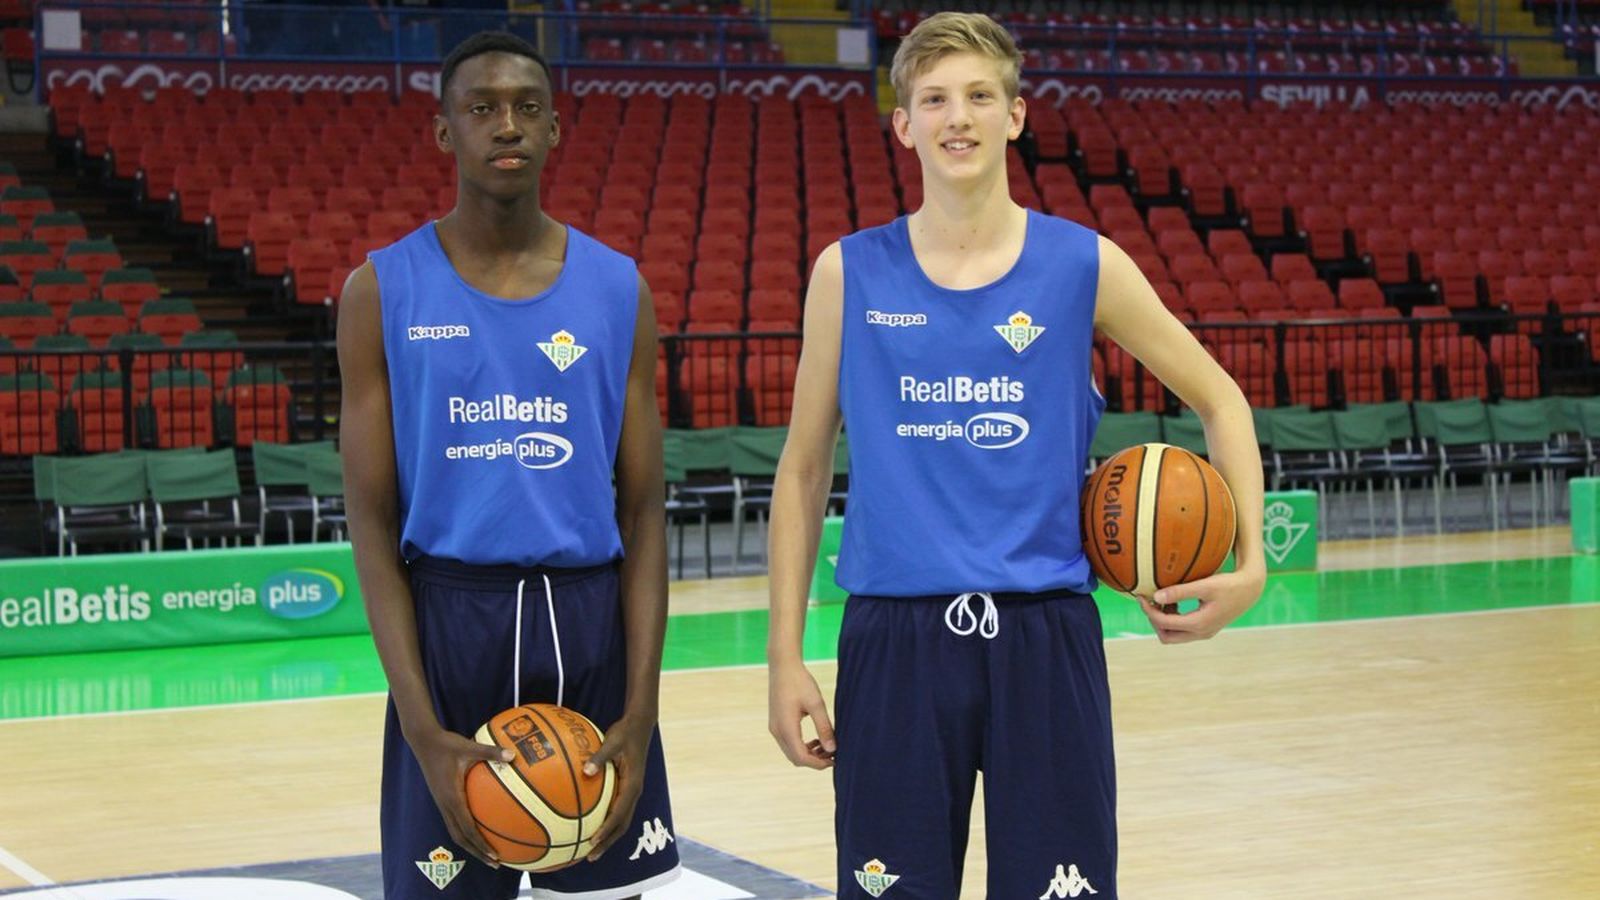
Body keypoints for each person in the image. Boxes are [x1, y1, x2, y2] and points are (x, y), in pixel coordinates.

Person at [765, 12, 1267, 899]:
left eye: (978, 97)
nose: (957, 117)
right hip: (893, 636)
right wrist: (783, 655)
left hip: (1045, 632)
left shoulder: (1084, 264)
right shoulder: (847, 273)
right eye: (934, 99)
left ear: (1016, 116)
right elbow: (803, 469)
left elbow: (1221, 398)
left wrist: (1252, 564)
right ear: (903, 124)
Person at [336, 30, 679, 900]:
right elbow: (371, 522)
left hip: (590, 619)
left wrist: (641, 712)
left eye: (527, 107)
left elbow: (642, 512)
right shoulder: (380, 289)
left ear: (557, 129)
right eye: (481, 108)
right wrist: (420, 725)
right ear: (445, 133)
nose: (507, 125)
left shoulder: (617, 288)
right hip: (450, 621)